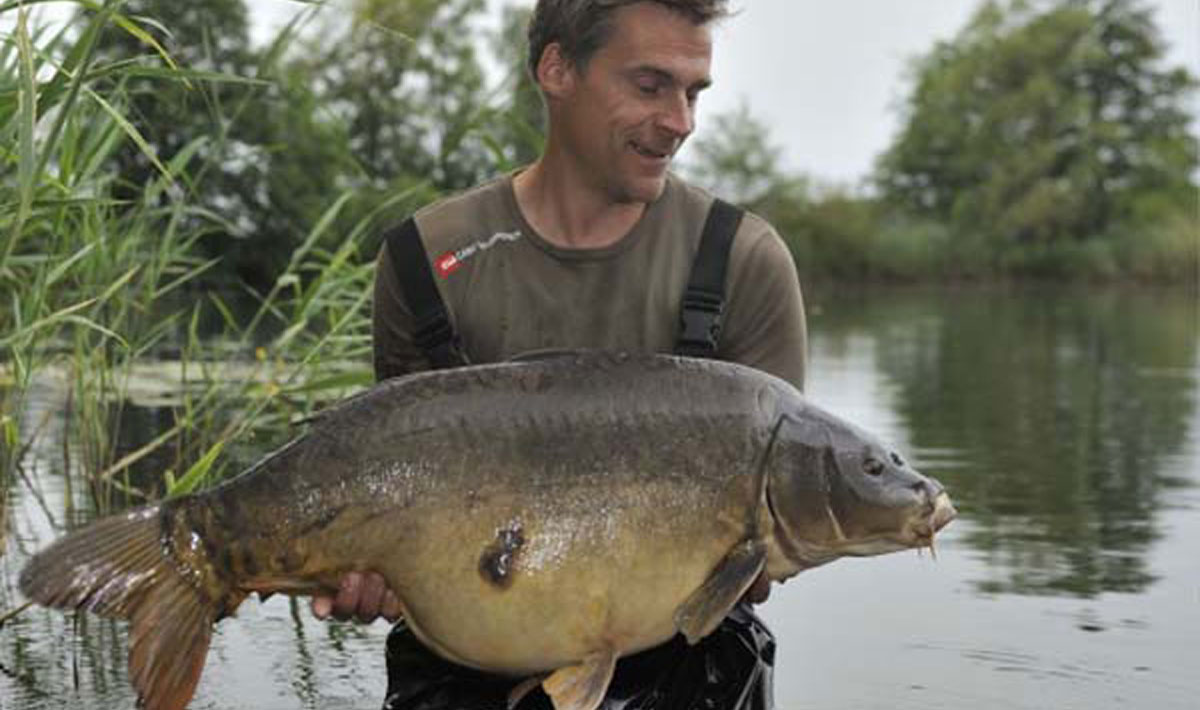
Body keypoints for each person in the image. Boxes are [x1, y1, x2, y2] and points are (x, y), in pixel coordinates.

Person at [312, 1, 807, 708]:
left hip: (685, 671)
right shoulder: (425, 260)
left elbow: (764, 544)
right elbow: (403, 503)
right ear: (556, 69)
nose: (680, 121)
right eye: (649, 85)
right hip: (469, 662)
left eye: (693, 92)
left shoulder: (742, 264)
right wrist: (377, 573)